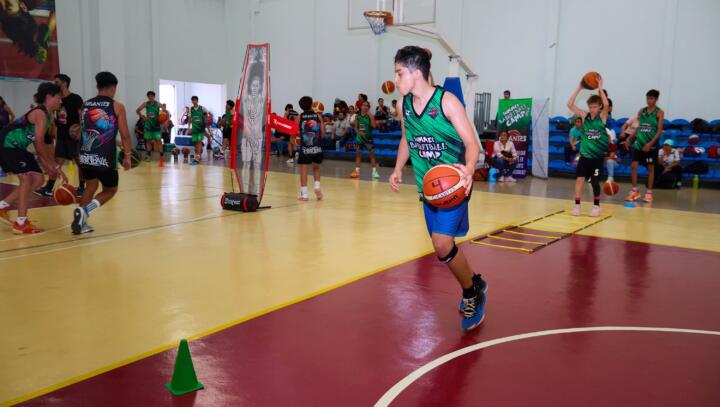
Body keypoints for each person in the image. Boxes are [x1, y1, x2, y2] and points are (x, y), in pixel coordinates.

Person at [389, 45, 486, 331]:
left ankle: (472, 294)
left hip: (454, 184)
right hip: (428, 190)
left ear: (416, 73)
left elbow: (472, 145)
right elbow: (408, 140)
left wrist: (469, 168)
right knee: (444, 249)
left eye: (399, 73)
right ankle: (475, 281)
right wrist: (397, 169)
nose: (395, 80)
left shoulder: (447, 102)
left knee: (441, 244)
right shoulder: (403, 105)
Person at [72, 71, 132, 235]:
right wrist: (127, 156)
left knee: (90, 186)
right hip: (105, 158)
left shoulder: (85, 105)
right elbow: (125, 134)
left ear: (97, 86)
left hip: (85, 155)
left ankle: (80, 222)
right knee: (110, 190)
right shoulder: (116, 106)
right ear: (113, 87)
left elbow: (82, 129)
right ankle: (85, 212)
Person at [0, 82, 65, 234]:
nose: (61, 101)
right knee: (26, 179)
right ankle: (21, 223)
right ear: (49, 97)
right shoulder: (40, 113)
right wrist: (54, 167)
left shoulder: (48, 116)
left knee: (38, 179)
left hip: (19, 147)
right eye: (59, 98)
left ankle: (3, 206)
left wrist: (52, 166)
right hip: (7, 143)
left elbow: (40, 145)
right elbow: (40, 145)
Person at [566, 75, 611, 217]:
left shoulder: (602, 117)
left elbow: (607, 104)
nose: (592, 109)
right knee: (579, 180)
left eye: (595, 107)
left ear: (599, 107)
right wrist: (579, 87)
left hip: (597, 157)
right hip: (584, 156)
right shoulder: (585, 117)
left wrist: (600, 87)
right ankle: (577, 206)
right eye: (590, 107)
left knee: (595, 182)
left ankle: (596, 207)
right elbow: (570, 104)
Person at [35, 73, 85, 197]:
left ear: (64, 83)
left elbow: (82, 115)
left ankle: (82, 187)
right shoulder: (56, 99)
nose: (54, 84)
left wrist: (80, 130)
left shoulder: (75, 98)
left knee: (80, 162)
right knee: (57, 162)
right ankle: (49, 187)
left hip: (74, 136)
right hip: (62, 136)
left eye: (57, 81)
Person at [625, 89, 664, 203]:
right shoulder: (642, 111)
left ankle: (649, 193)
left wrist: (650, 143)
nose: (649, 101)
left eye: (651, 98)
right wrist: (630, 138)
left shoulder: (659, 112)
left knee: (651, 168)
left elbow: (659, 131)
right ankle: (634, 191)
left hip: (651, 145)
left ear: (656, 99)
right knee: (633, 165)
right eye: (647, 98)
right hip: (639, 143)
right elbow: (639, 127)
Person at [294, 96, 324, 201]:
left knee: (304, 170)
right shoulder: (318, 116)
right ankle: (317, 188)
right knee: (316, 168)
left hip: (305, 148)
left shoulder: (299, 117)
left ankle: (305, 194)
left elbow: (294, 132)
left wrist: (296, 138)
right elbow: (323, 134)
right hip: (317, 147)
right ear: (312, 104)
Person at [351, 100, 379, 179]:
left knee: (372, 155)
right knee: (358, 155)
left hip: (368, 139)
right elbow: (355, 128)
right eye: (364, 105)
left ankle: (374, 172)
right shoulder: (357, 116)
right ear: (361, 106)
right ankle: (357, 171)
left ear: (368, 107)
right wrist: (358, 132)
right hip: (359, 139)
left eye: (367, 105)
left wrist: (371, 116)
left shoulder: (370, 116)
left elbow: (374, 126)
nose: (365, 107)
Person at [136, 91, 163, 162]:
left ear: (154, 97)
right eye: (149, 96)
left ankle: (161, 157)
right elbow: (137, 110)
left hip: (156, 126)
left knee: (158, 141)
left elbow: (165, 109)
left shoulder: (157, 104)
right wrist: (142, 116)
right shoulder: (145, 104)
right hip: (148, 126)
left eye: (152, 96)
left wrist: (162, 114)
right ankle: (148, 156)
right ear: (148, 97)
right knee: (148, 141)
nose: (150, 97)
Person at [188, 96, 208, 165]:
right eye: (193, 100)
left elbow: (206, 115)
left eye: (195, 100)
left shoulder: (202, 108)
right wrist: (189, 127)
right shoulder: (191, 109)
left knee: (199, 141)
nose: (194, 101)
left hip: (201, 128)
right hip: (194, 128)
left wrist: (205, 122)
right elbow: (189, 119)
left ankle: (198, 156)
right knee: (196, 143)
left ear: (197, 101)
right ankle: (199, 153)